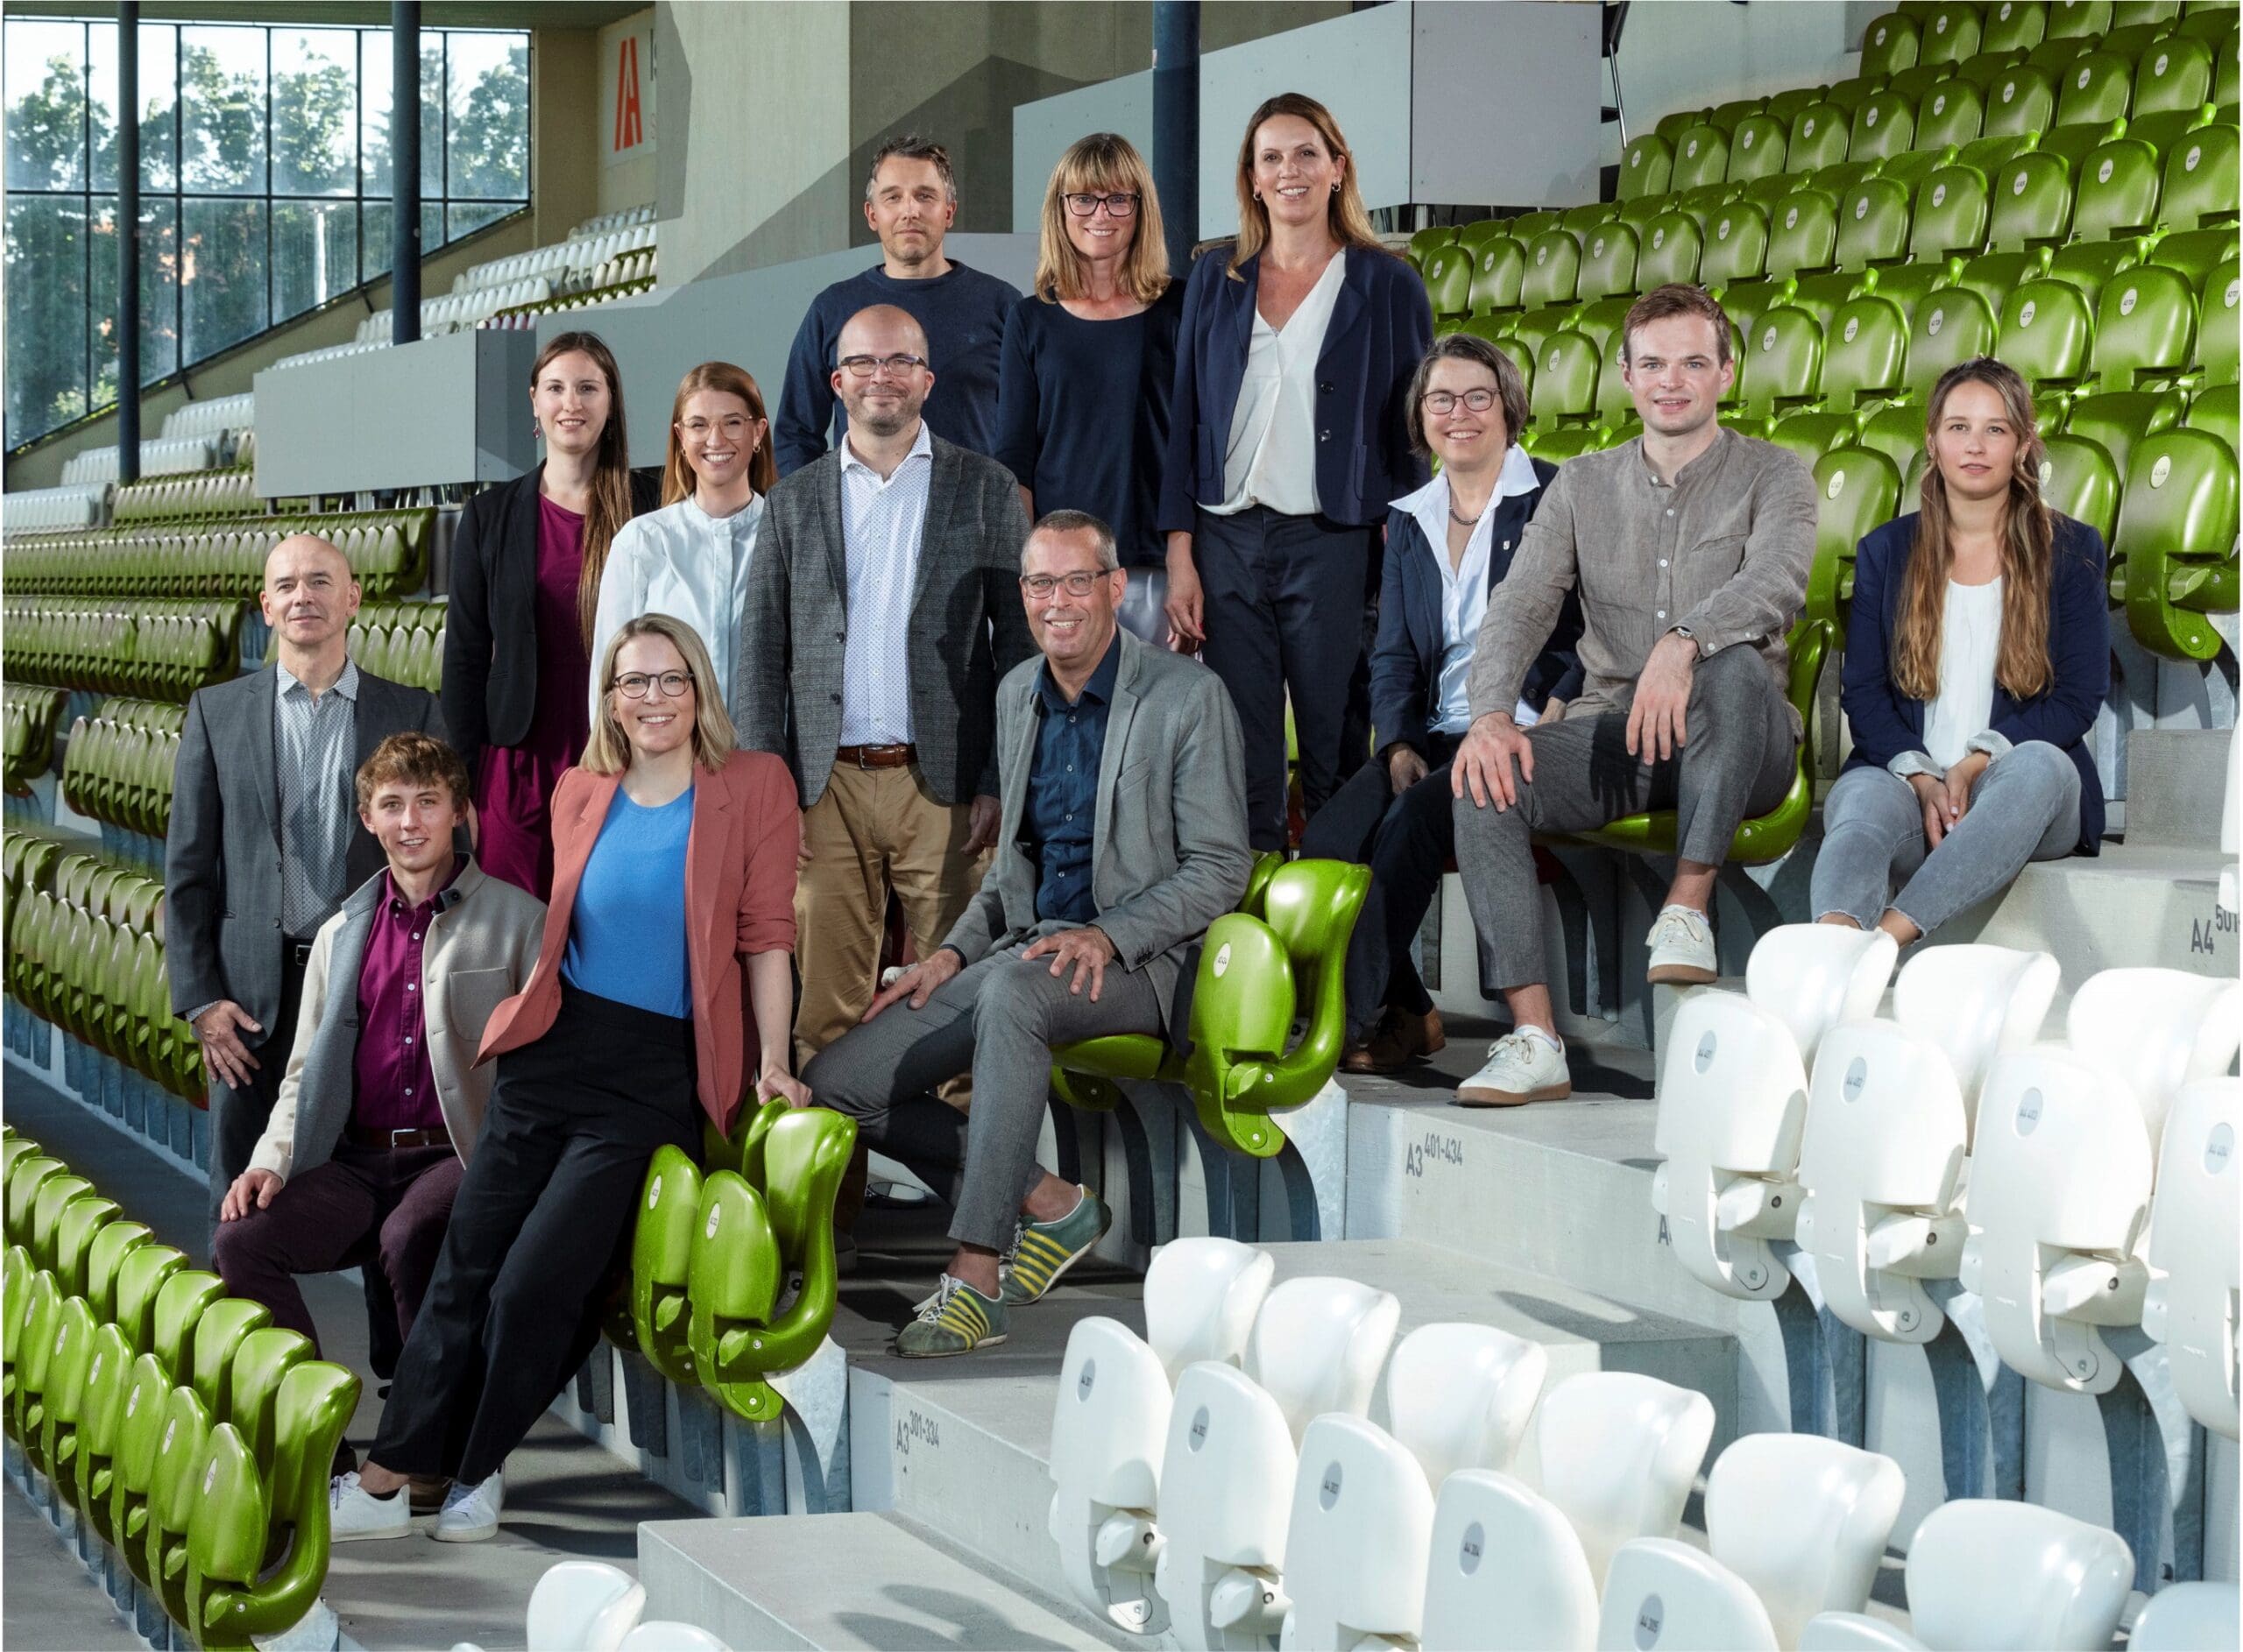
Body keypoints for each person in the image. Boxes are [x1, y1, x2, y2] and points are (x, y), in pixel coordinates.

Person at [329, 615, 803, 1543]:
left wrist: (776, 1060)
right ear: (610, 700)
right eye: (634, 682)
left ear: (699, 688)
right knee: (463, 1268)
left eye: (670, 679)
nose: (653, 698)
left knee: (533, 1284)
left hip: (653, 1072)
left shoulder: (753, 784)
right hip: (552, 1051)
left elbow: (767, 938)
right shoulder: (581, 788)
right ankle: (386, 1480)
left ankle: (475, 1470)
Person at [803, 511, 1251, 1356]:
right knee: (839, 1081)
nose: (1058, 602)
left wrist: (1109, 936)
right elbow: (1011, 872)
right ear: (1024, 594)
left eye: (1077, 581)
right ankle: (1050, 1202)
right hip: (1031, 950)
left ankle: (975, 1280)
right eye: (1042, 584)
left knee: (1014, 994)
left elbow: (1220, 867)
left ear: (1114, 588)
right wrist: (948, 954)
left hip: (1144, 960)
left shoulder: (1188, 696)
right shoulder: (1017, 693)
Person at [1448, 284, 1815, 1106]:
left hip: (1742, 738)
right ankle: (1535, 1038)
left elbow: (1776, 581)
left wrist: (1684, 643)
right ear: (1625, 375)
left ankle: (1687, 907)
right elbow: (1520, 604)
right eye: (1652, 364)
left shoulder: (1775, 473)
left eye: (1692, 363)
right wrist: (1491, 715)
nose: (1670, 381)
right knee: (1482, 778)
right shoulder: (1581, 483)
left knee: (1731, 663)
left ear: (1726, 373)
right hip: (1623, 735)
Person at [739, 303, 1037, 1070]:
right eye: (865, 362)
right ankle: (834, 1149)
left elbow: (1021, 650)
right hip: (823, 790)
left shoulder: (987, 488)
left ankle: (963, 1149)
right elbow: (759, 655)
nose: (884, 376)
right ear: (837, 382)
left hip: (945, 790)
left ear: (928, 380)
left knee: (956, 1003)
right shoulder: (792, 500)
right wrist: (770, 794)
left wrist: (999, 776)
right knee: (824, 1012)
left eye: (901, 360)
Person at [212, 734, 543, 1390]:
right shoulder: (340, 934)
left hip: (458, 1155)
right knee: (240, 1242)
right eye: (392, 805)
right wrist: (268, 1161)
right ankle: (318, 1433)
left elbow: (538, 1072)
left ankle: (432, 1427)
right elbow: (303, 1072)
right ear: (368, 819)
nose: (410, 822)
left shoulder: (520, 921)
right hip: (359, 1165)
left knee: (409, 1234)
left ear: (459, 811)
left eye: (428, 802)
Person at [1158, 91, 1433, 851]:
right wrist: (1180, 551)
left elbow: (1415, 430)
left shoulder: (1388, 282)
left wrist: (1404, 547)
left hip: (1334, 540)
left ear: (1338, 168)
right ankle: (1250, 909)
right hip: (1226, 539)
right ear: (1251, 178)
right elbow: (1185, 419)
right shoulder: (1215, 278)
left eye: (1307, 153)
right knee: (1242, 750)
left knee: (1333, 746)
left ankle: (1343, 907)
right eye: (1272, 157)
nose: (1290, 170)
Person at [1298, 335, 1579, 1073]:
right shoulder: (1410, 519)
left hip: (1520, 728)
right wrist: (1396, 743)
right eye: (1441, 399)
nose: (1460, 414)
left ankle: (1341, 1026)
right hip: (1436, 729)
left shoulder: (1556, 496)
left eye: (1478, 396)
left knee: (1410, 826)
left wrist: (1560, 699)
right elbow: (1393, 653)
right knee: (1326, 841)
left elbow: (1602, 624)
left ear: (1509, 408)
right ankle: (1413, 1012)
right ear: (1421, 416)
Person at [168, 534, 448, 1226]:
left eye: (321, 581)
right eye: (287, 585)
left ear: (352, 598)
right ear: (266, 606)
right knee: (239, 1211)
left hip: (371, 985)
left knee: (385, 1193)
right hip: (249, 1004)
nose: (304, 596)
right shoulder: (216, 712)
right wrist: (201, 1000)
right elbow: (188, 871)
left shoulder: (410, 711)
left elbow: (444, 860)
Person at [1814, 358, 2108, 944]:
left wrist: (1974, 765)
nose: (1975, 445)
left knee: (2040, 765)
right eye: (1958, 427)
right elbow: (1864, 695)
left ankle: (1886, 941)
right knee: (1860, 799)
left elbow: (2078, 698)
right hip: (1910, 785)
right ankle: (1830, 945)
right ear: (1932, 441)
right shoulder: (1885, 551)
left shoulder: (2072, 548)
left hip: (2017, 795)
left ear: (2022, 444)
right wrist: (1924, 778)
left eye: (1995, 429)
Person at [443, 330, 660, 900]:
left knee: (607, 920)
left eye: (588, 388)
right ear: (535, 402)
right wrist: (460, 782)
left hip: (623, 754)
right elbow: (464, 657)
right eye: (557, 388)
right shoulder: (490, 516)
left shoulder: (653, 505)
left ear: (610, 404)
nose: (572, 403)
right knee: (515, 926)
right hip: (517, 765)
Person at [995, 132, 1183, 645]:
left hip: (1157, 564)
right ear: (1060, 208)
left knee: (1161, 698)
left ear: (1141, 207)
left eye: (1118, 198)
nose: (1101, 213)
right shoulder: (1030, 320)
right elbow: (1016, 461)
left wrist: (1186, 558)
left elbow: (1197, 443)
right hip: (1064, 573)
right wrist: (1032, 573)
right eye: (1083, 198)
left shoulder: (1180, 309)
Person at [774, 135, 1022, 475]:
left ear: (949, 211)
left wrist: (1007, 503)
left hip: (974, 506)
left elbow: (1031, 432)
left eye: (925, 196)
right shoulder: (832, 309)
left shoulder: (1002, 306)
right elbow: (796, 434)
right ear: (872, 214)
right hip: (862, 506)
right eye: (893, 197)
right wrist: (811, 507)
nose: (910, 211)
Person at [591, 361, 777, 720]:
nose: (715, 439)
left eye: (732, 422)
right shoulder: (640, 542)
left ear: (758, 432)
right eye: (698, 424)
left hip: (766, 749)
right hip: (665, 749)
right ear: (680, 437)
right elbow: (609, 678)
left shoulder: (789, 538)